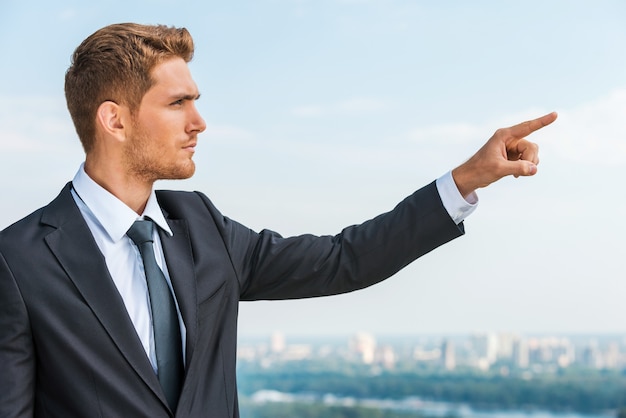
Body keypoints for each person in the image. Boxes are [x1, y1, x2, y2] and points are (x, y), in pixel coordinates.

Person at [0, 23, 557, 418]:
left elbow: (345, 259)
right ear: (114, 121)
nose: (200, 122)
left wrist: (464, 181)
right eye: (178, 103)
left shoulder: (203, 229)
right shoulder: (18, 261)